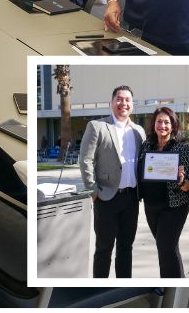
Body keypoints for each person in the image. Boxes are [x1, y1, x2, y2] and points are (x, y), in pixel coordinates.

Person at [79, 85, 145, 278]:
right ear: (112, 102)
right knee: (104, 248)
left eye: (127, 100)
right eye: (119, 99)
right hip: (106, 197)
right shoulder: (97, 126)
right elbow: (85, 159)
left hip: (131, 198)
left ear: (132, 105)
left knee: (126, 247)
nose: (123, 103)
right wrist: (93, 190)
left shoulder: (138, 131)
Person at [136, 107, 189, 278]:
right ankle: (174, 284)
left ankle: (172, 287)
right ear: (154, 124)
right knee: (166, 248)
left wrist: (181, 180)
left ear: (173, 125)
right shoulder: (146, 145)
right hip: (151, 205)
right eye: (159, 121)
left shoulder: (181, 147)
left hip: (174, 205)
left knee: (166, 247)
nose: (162, 125)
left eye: (167, 122)